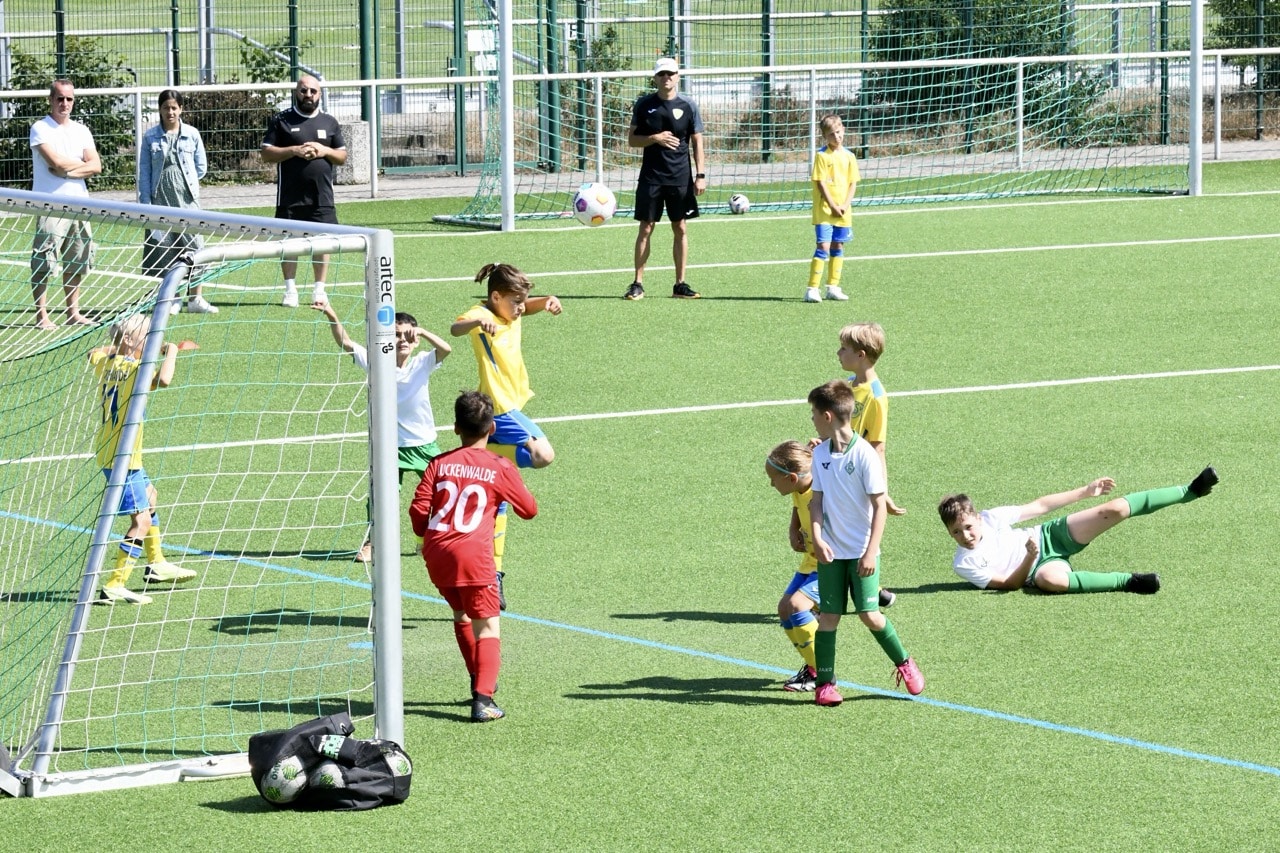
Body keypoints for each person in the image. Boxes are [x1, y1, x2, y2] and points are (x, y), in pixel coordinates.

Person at [409, 391, 538, 722]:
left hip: (437, 555)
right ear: (492, 428)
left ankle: (477, 679)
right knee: (488, 627)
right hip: (474, 557)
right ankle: (483, 700)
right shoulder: (498, 467)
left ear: (455, 428)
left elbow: (418, 515)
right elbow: (529, 510)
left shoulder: (438, 464)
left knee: (462, 615)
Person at [807, 380, 924, 706]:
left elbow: (878, 506)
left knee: (869, 615)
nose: (812, 420)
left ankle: (904, 662)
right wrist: (817, 537)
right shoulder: (819, 454)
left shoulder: (865, 456)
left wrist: (871, 551)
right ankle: (825, 685)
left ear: (828, 416)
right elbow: (816, 501)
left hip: (861, 553)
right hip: (831, 554)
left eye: (814, 414)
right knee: (828, 618)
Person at [451, 263, 561, 607]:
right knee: (544, 454)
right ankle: (496, 454)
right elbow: (456, 328)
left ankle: (493, 574)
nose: (518, 309)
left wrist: (545, 302)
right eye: (515, 302)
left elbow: (525, 307)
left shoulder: (512, 311)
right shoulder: (482, 315)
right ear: (495, 297)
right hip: (501, 409)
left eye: (522, 303)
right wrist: (476, 322)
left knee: (497, 502)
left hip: (513, 405)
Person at [313, 300, 451, 562]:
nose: (402, 340)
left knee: (441, 492)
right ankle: (373, 543)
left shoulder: (423, 362)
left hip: (423, 444)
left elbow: (446, 348)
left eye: (407, 335)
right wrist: (332, 313)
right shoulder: (376, 361)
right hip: (389, 446)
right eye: (396, 334)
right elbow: (346, 343)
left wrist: (422, 332)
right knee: (379, 497)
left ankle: (434, 539)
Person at [939, 467, 1219, 594]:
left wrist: (1085, 492)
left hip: (1049, 536)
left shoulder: (992, 518)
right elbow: (1010, 585)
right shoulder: (964, 564)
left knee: (1116, 509)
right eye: (956, 533)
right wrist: (1029, 557)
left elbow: (1040, 506)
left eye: (967, 527)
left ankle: (1189, 491)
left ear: (976, 517)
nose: (966, 536)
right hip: (1034, 570)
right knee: (1052, 581)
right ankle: (1129, 581)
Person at [89, 314, 198, 605]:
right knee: (141, 520)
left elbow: (94, 353)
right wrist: (172, 350)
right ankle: (115, 583)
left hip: (113, 452)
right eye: (147, 336)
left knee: (151, 496)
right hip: (122, 458)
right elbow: (164, 379)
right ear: (128, 341)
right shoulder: (137, 368)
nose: (154, 341)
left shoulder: (107, 364)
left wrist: (118, 346)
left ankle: (156, 563)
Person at [623, 57, 707, 301]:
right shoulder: (644, 104)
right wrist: (655, 138)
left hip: (680, 177)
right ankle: (637, 283)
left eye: (670, 73)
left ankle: (680, 284)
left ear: (678, 76)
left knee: (680, 227)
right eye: (662, 74)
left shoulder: (689, 105)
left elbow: (697, 141)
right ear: (655, 78)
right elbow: (632, 140)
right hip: (651, 177)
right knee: (646, 228)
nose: (666, 77)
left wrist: (700, 175)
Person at [261, 74, 347, 308]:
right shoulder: (282, 120)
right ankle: (290, 290)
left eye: (313, 91)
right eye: (304, 91)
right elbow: (266, 153)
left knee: (324, 243)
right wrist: (295, 150)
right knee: (289, 243)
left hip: (322, 197)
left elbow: (342, 156)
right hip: (290, 197)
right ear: (296, 93)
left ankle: (319, 290)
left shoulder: (330, 122)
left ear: (319, 95)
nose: (308, 95)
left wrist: (323, 150)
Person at [837, 321, 904, 608]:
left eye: (844, 349)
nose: (838, 353)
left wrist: (882, 489)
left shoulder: (876, 396)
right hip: (837, 469)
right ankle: (869, 589)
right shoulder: (848, 386)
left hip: (857, 475)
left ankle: (869, 590)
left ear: (861, 354)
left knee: (856, 532)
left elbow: (878, 445)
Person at [30, 79, 101, 330]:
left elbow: (96, 165)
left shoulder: (82, 130)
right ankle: (42, 315)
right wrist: (75, 166)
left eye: (69, 99)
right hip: (50, 204)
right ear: (50, 100)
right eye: (60, 98)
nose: (64, 103)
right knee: (45, 258)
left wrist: (68, 171)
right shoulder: (40, 128)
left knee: (78, 257)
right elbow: (54, 162)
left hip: (79, 203)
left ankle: (73, 312)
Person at [138, 89, 216, 314]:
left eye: (174, 107)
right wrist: (146, 202)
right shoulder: (150, 136)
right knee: (166, 250)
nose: (170, 112)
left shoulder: (191, 134)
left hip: (187, 200)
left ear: (181, 109)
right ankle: (173, 298)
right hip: (160, 199)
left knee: (195, 248)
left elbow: (201, 167)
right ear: (160, 110)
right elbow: (144, 171)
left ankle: (196, 299)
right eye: (165, 108)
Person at [764, 440, 822, 693]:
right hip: (810, 562)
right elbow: (798, 506)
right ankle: (812, 668)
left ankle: (823, 671)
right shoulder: (799, 488)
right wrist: (792, 528)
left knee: (797, 607)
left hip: (832, 564)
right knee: (784, 609)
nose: (770, 483)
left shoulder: (822, 489)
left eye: (773, 479)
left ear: (791, 478)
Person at [806, 114, 858, 303]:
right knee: (823, 246)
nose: (836, 137)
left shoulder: (850, 156)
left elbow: (853, 183)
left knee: (838, 246)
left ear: (843, 130)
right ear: (824, 137)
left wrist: (844, 205)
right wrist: (833, 205)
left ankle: (833, 287)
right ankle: (812, 289)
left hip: (843, 211)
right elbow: (820, 182)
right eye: (831, 134)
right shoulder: (821, 156)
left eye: (838, 132)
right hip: (825, 212)